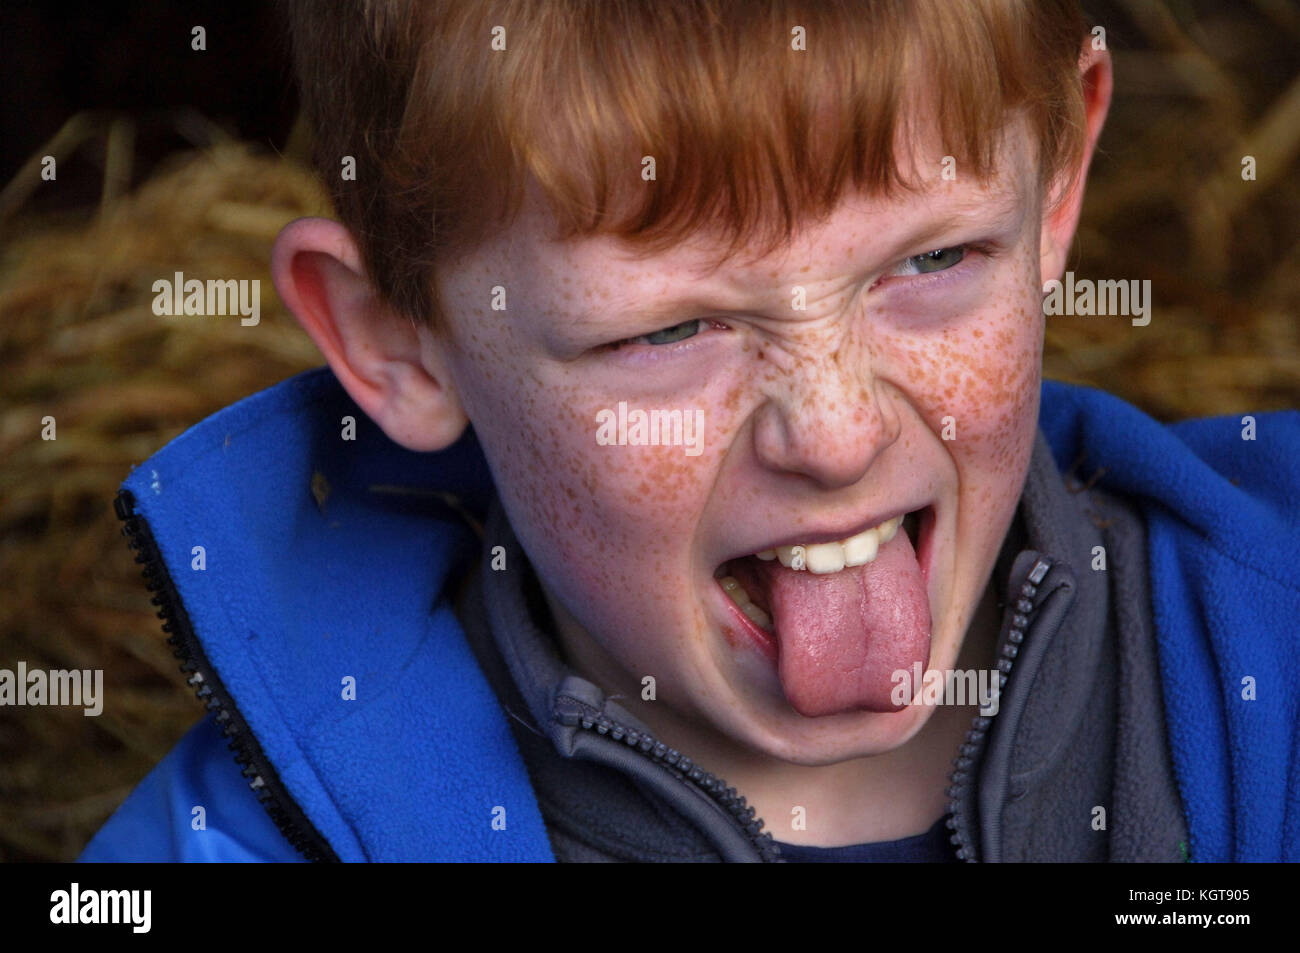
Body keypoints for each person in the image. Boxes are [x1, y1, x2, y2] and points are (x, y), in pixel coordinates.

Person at [80, 0, 1299, 862]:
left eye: (933, 258)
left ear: (1060, 185)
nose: (831, 432)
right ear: (397, 338)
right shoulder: (254, 839)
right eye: (665, 333)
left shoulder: (1269, 673)